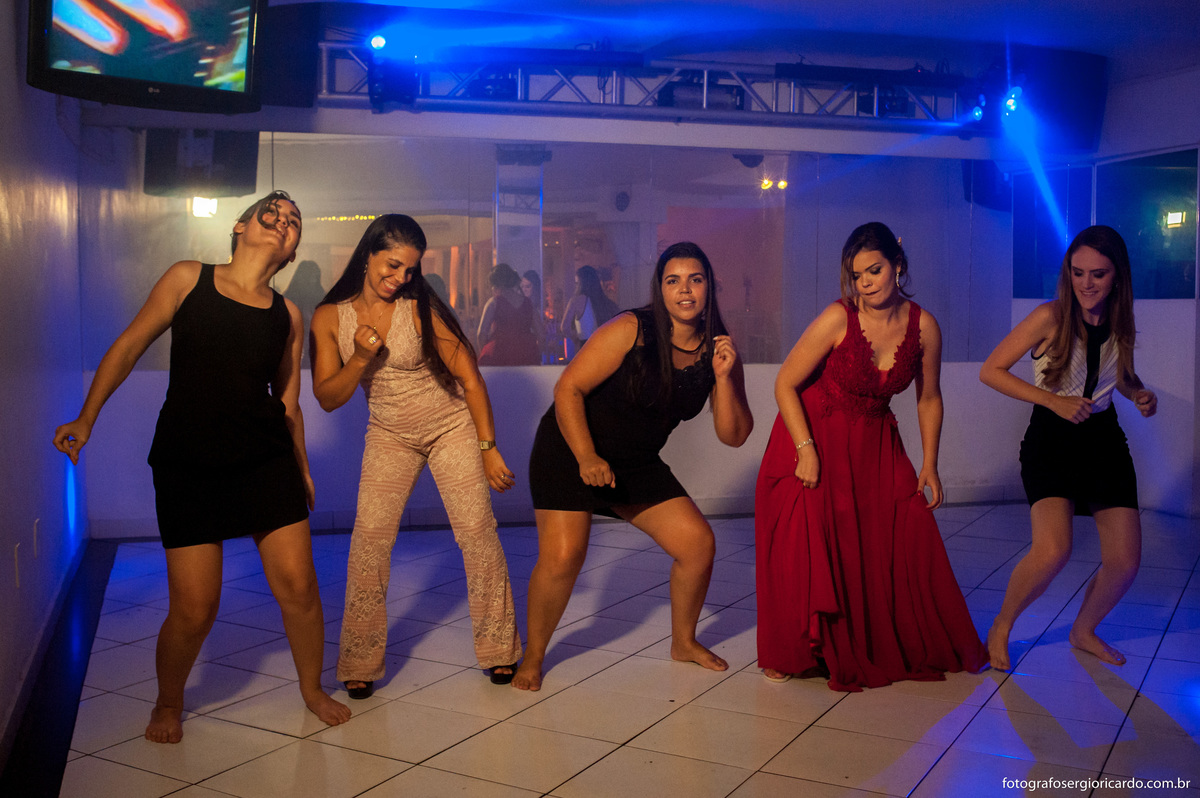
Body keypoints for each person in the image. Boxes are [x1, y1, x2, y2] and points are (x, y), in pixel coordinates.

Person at [53, 191, 351, 742]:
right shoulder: (188, 278)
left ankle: (312, 689)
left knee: (300, 586)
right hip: (189, 460)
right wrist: (86, 417)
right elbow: (129, 346)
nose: (282, 222)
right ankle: (168, 701)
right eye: (272, 212)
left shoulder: (288, 315)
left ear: (293, 251)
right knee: (195, 608)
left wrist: (302, 467)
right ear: (239, 226)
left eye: (293, 221)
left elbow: (288, 403)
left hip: (265, 460)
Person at [755, 222, 987, 691]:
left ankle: (885, 640)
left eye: (874, 271)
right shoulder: (838, 317)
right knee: (809, 544)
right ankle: (798, 649)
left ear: (897, 265)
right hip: (812, 435)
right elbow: (785, 383)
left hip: (875, 444)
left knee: (908, 531)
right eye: (856, 275)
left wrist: (930, 463)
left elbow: (929, 398)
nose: (864, 283)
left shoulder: (924, 326)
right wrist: (805, 450)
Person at [514, 242, 754, 691]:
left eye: (695, 280)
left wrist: (724, 378)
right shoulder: (631, 328)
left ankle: (683, 642)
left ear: (709, 287)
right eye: (673, 281)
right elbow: (568, 390)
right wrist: (587, 457)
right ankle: (533, 656)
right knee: (564, 557)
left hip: (635, 461)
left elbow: (734, 434)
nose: (685, 290)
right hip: (570, 447)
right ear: (660, 289)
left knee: (698, 545)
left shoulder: (718, 349)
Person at [309, 214, 523, 697]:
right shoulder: (329, 317)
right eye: (392, 265)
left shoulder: (419, 307)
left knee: (477, 533)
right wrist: (360, 358)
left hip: (450, 427)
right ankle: (359, 660)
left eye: (409, 269)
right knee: (369, 542)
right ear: (368, 255)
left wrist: (488, 448)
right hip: (389, 433)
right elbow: (327, 397)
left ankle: (500, 649)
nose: (400, 277)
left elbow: (470, 378)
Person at [980, 225, 1156, 671]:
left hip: (1104, 439)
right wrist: (1052, 401)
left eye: (1098, 274)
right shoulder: (1050, 316)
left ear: (1117, 277)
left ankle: (1083, 630)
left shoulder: (1121, 319)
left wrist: (1138, 393)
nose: (1086, 284)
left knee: (1125, 561)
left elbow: (1120, 374)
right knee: (1053, 550)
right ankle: (1002, 624)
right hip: (1052, 439)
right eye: (1078, 273)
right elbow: (991, 370)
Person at [477, 263, 542, 366]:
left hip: (498, 354)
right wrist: (536, 354)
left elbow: (481, 334)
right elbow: (541, 334)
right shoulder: (528, 304)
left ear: (497, 285)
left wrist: (486, 352)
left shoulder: (493, 303)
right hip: (526, 355)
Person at [560, 265, 618, 360]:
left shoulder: (576, 301)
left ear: (581, 283)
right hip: (605, 349)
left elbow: (564, 327)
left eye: (577, 283)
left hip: (585, 347)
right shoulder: (605, 301)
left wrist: (576, 338)